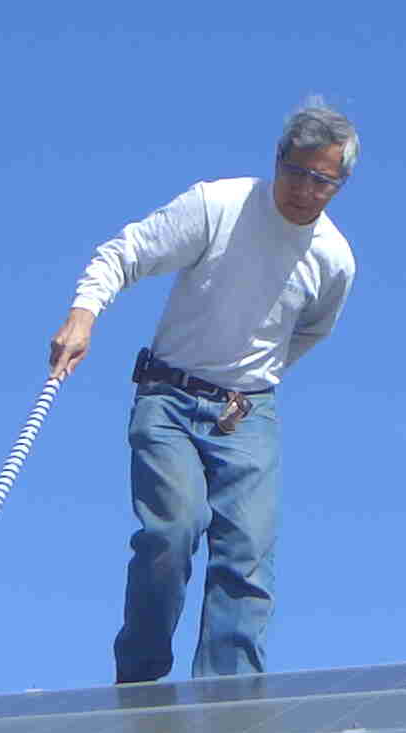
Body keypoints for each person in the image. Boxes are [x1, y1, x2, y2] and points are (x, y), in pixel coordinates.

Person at [48, 101, 358, 684]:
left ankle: (229, 709)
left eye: (322, 180)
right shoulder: (217, 205)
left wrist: (256, 378)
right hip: (169, 397)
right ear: (277, 161)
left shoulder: (334, 260)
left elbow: (313, 328)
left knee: (247, 559)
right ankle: (139, 684)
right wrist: (83, 314)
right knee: (172, 530)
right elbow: (126, 252)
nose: (304, 189)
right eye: (295, 172)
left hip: (249, 413)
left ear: (339, 185)